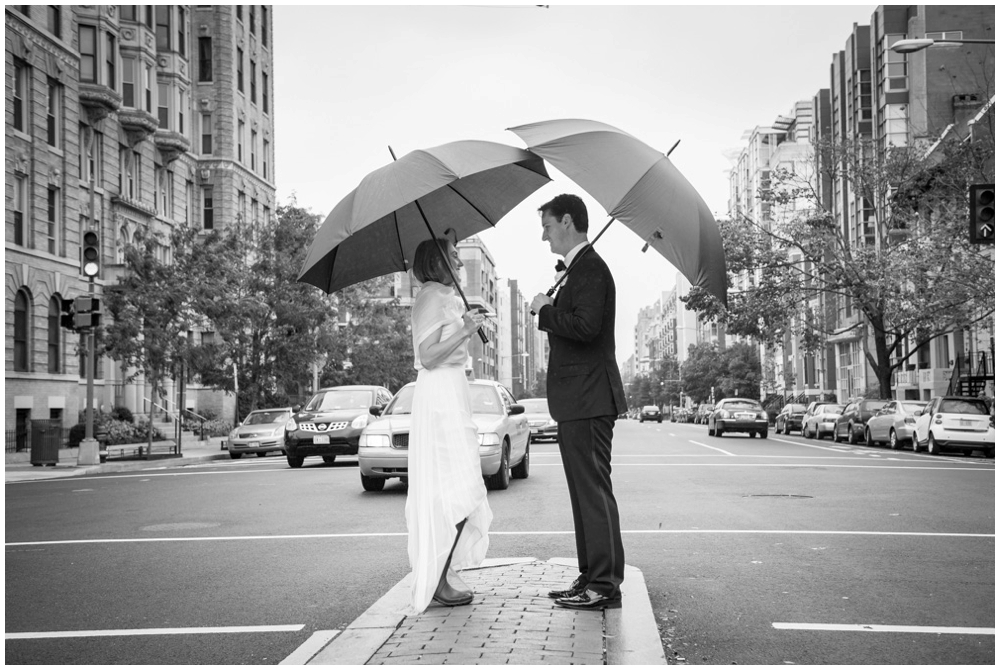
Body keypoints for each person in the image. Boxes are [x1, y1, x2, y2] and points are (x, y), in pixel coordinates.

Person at [530, 194, 628, 611]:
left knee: (592, 491)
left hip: (589, 397)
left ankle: (604, 585)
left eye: (548, 226)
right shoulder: (579, 270)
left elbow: (586, 328)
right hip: (578, 400)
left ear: (567, 221)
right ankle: (591, 574)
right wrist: (552, 305)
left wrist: (546, 311)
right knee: (582, 492)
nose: (543, 235)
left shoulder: (591, 269)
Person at [406, 237, 493, 613]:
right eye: (454, 257)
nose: (460, 263)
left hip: (454, 391)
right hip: (439, 396)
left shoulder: (445, 296)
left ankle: (442, 572)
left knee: (460, 485)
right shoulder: (430, 297)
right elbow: (427, 357)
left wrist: (465, 324)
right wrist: (463, 331)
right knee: (453, 487)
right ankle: (437, 579)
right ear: (436, 261)